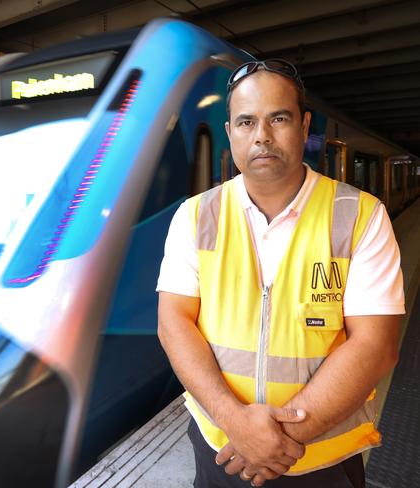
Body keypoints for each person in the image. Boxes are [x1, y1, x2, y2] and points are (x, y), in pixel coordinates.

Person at [156, 59, 405, 488]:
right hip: (220, 448)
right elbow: (173, 321)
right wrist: (236, 424)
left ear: (304, 126)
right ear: (230, 131)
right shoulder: (195, 216)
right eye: (247, 121)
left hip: (321, 459)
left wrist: (271, 443)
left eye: (279, 118)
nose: (262, 136)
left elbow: (376, 345)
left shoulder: (361, 216)